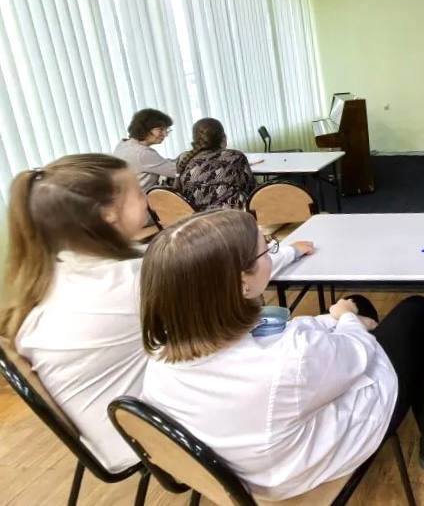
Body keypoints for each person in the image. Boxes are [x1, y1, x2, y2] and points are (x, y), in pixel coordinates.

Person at [0, 154, 312, 473]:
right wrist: (288, 251)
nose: (147, 198)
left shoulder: (55, 271)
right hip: (146, 436)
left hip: (105, 428)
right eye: (138, 192)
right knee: (285, 363)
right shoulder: (128, 283)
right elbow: (235, 276)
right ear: (108, 213)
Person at [140, 209, 424, 501]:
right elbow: (359, 354)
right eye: (266, 250)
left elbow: (289, 342)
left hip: (243, 472)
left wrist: (333, 319)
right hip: (296, 474)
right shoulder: (291, 356)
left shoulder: (159, 361)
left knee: (357, 305)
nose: (272, 254)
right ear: (242, 282)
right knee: (415, 310)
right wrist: (347, 318)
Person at [175, 118, 256, 210]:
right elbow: (251, 189)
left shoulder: (183, 157)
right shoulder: (235, 156)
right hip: (230, 215)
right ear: (223, 137)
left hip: (196, 216)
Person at [113, 108, 177, 191]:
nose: (165, 134)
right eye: (160, 129)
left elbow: (159, 163)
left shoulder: (124, 144)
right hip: (141, 197)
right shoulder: (142, 153)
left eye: (166, 130)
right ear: (145, 129)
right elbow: (177, 172)